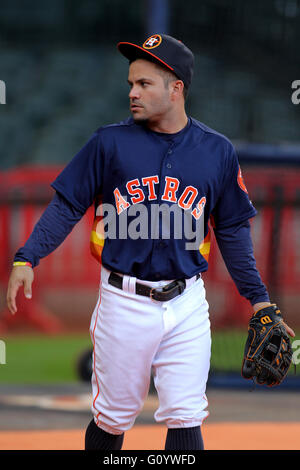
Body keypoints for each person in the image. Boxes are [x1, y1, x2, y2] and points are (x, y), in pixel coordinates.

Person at [6, 34, 294, 451]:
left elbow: (232, 231)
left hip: (188, 304)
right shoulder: (109, 143)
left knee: (186, 415)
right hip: (124, 302)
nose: (132, 93)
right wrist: (27, 257)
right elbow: (67, 205)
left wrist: (259, 299)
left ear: (175, 88)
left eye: (144, 84)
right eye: (130, 84)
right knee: (112, 419)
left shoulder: (216, 151)